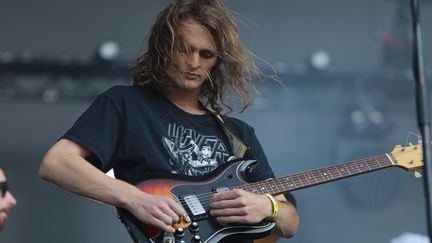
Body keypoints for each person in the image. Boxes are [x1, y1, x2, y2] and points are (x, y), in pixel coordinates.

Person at [39, 0, 299, 242]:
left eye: (206, 54)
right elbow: (56, 164)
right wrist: (134, 199)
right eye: (184, 49)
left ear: (218, 61)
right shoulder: (126, 104)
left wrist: (269, 207)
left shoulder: (239, 134)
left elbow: (290, 223)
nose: (193, 62)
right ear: (164, 47)